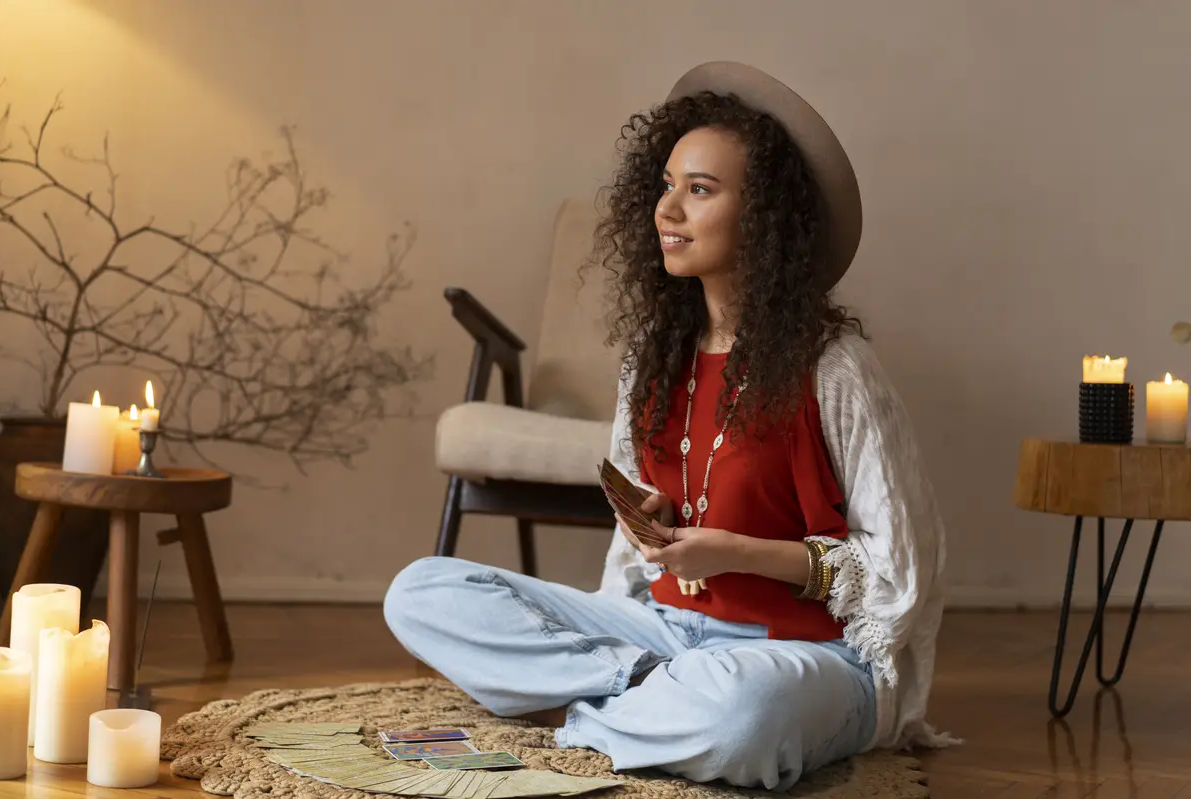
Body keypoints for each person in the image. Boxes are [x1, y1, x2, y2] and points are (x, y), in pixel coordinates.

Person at [385, 61, 954, 790]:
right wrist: (654, 526)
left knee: (744, 713)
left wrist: (739, 552)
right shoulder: (654, 357)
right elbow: (640, 560)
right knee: (420, 591)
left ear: (765, 216)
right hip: (659, 636)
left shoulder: (834, 367)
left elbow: (898, 570)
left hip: (798, 654)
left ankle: (579, 720)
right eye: (666, 185)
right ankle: (642, 692)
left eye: (700, 190)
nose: (668, 209)